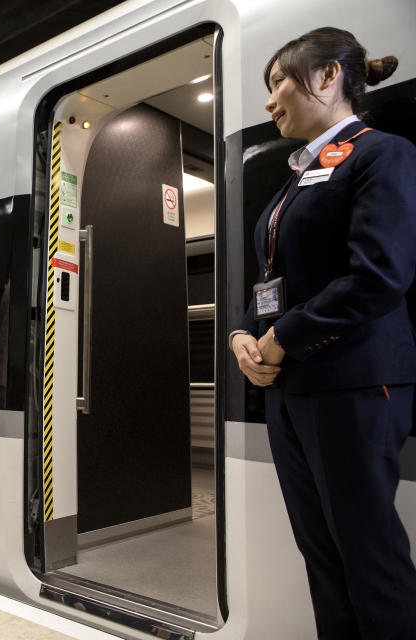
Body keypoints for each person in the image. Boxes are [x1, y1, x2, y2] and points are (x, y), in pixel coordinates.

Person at [231, 27, 416, 638]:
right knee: (322, 557)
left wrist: (282, 338)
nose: (269, 99)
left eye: (280, 80)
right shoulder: (298, 176)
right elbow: (277, 280)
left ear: (329, 76)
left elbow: (378, 275)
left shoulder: (378, 153)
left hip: (353, 384)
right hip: (293, 390)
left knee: (368, 558)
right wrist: (243, 337)